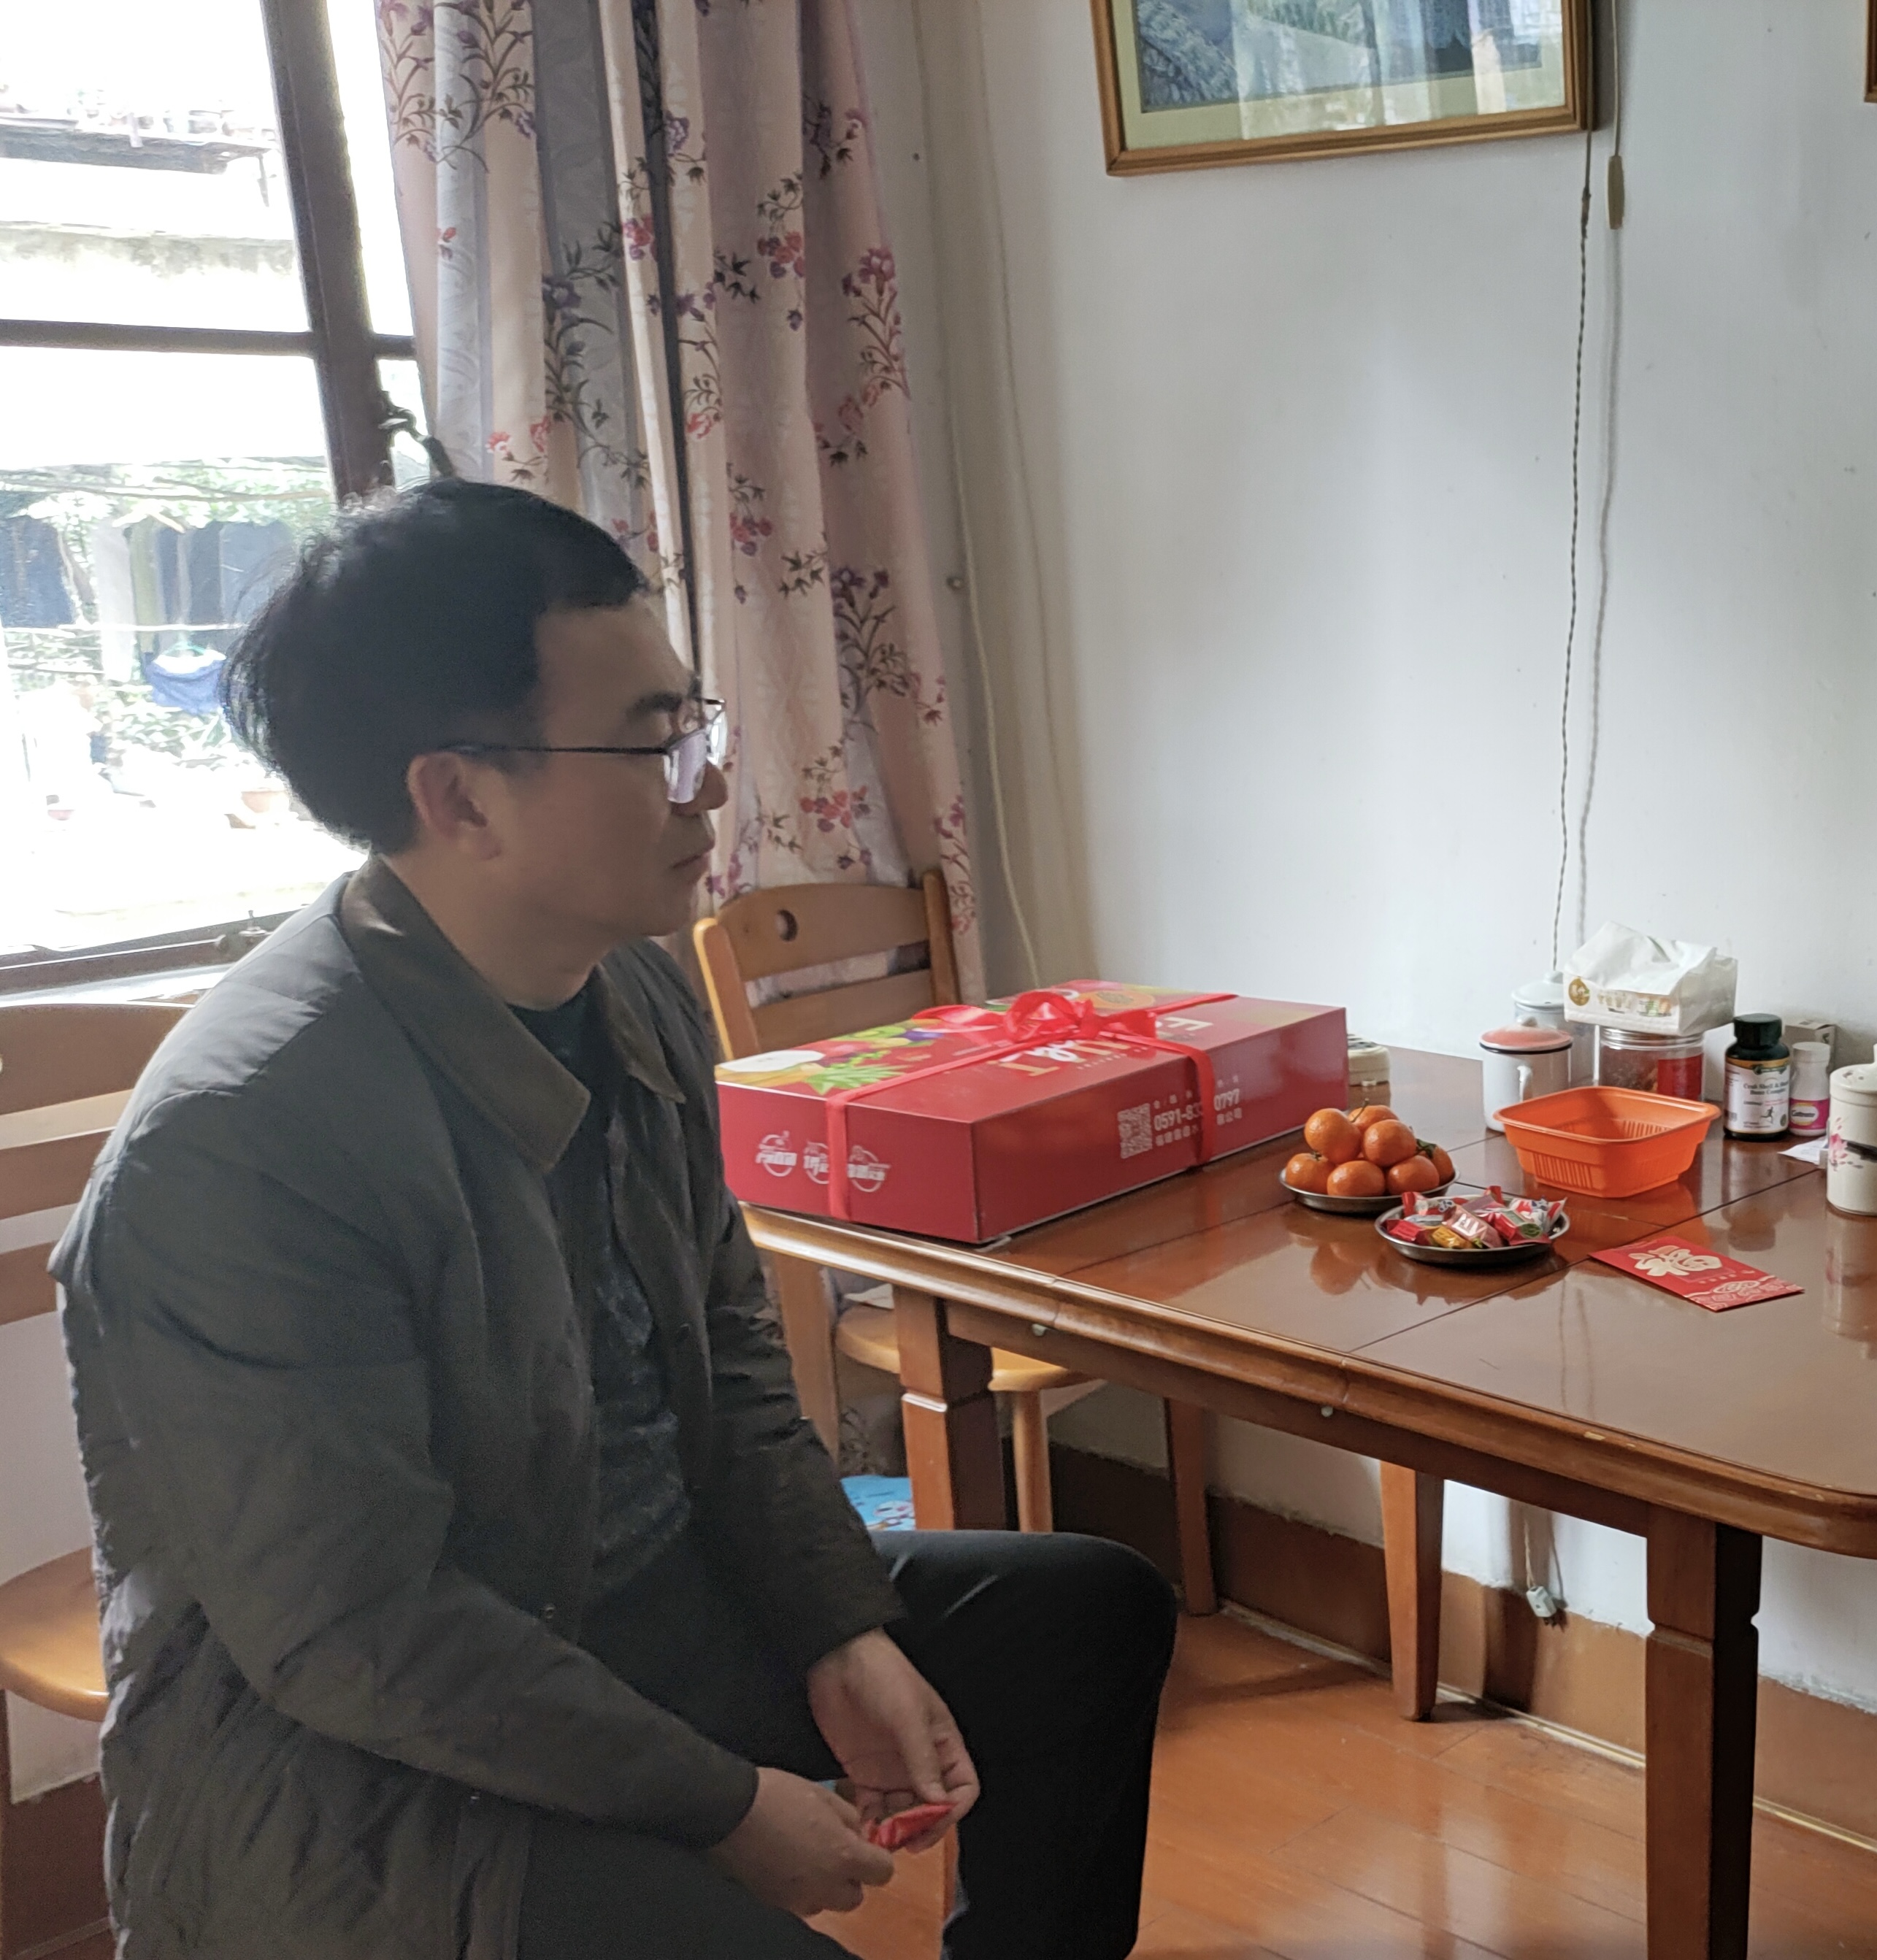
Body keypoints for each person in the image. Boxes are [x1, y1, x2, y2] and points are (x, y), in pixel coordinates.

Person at [53, 480, 1176, 1960]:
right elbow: (356, 1631)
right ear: (460, 797)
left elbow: (732, 1350)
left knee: (1084, 1614)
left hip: (642, 1617)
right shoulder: (241, 1141)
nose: (708, 786)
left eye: (693, 724)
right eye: (655, 743)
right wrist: (723, 1802)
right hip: (367, 1767)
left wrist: (837, 1625)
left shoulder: (629, 982)